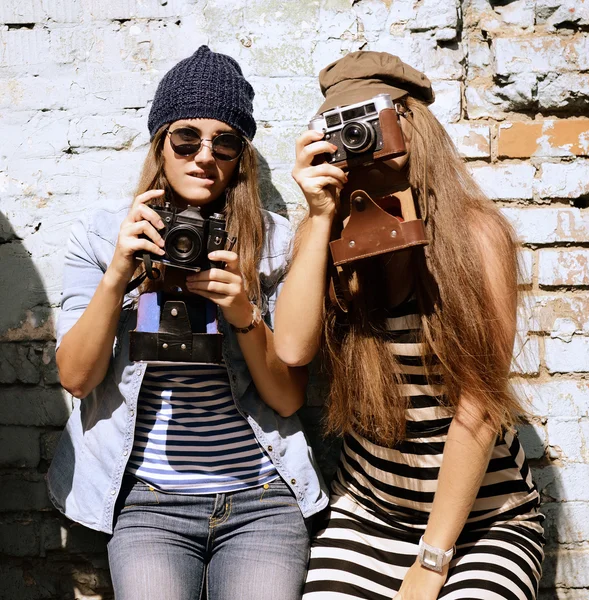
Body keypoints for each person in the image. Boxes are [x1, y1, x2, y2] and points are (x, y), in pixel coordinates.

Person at [47, 46, 328, 600]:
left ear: (241, 154)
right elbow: (75, 379)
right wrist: (119, 276)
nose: (205, 156)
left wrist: (245, 314)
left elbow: (289, 400)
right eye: (186, 139)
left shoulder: (272, 244)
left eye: (225, 142)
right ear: (161, 144)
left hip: (262, 495)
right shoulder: (104, 235)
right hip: (149, 500)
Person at [274, 51, 545, 600]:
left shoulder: (476, 236)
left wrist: (433, 559)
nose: (357, 141)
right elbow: (293, 349)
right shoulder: (328, 235)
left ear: (411, 124)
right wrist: (322, 214)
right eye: (340, 129)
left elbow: (479, 403)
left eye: (369, 123)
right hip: (370, 513)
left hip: (482, 521)